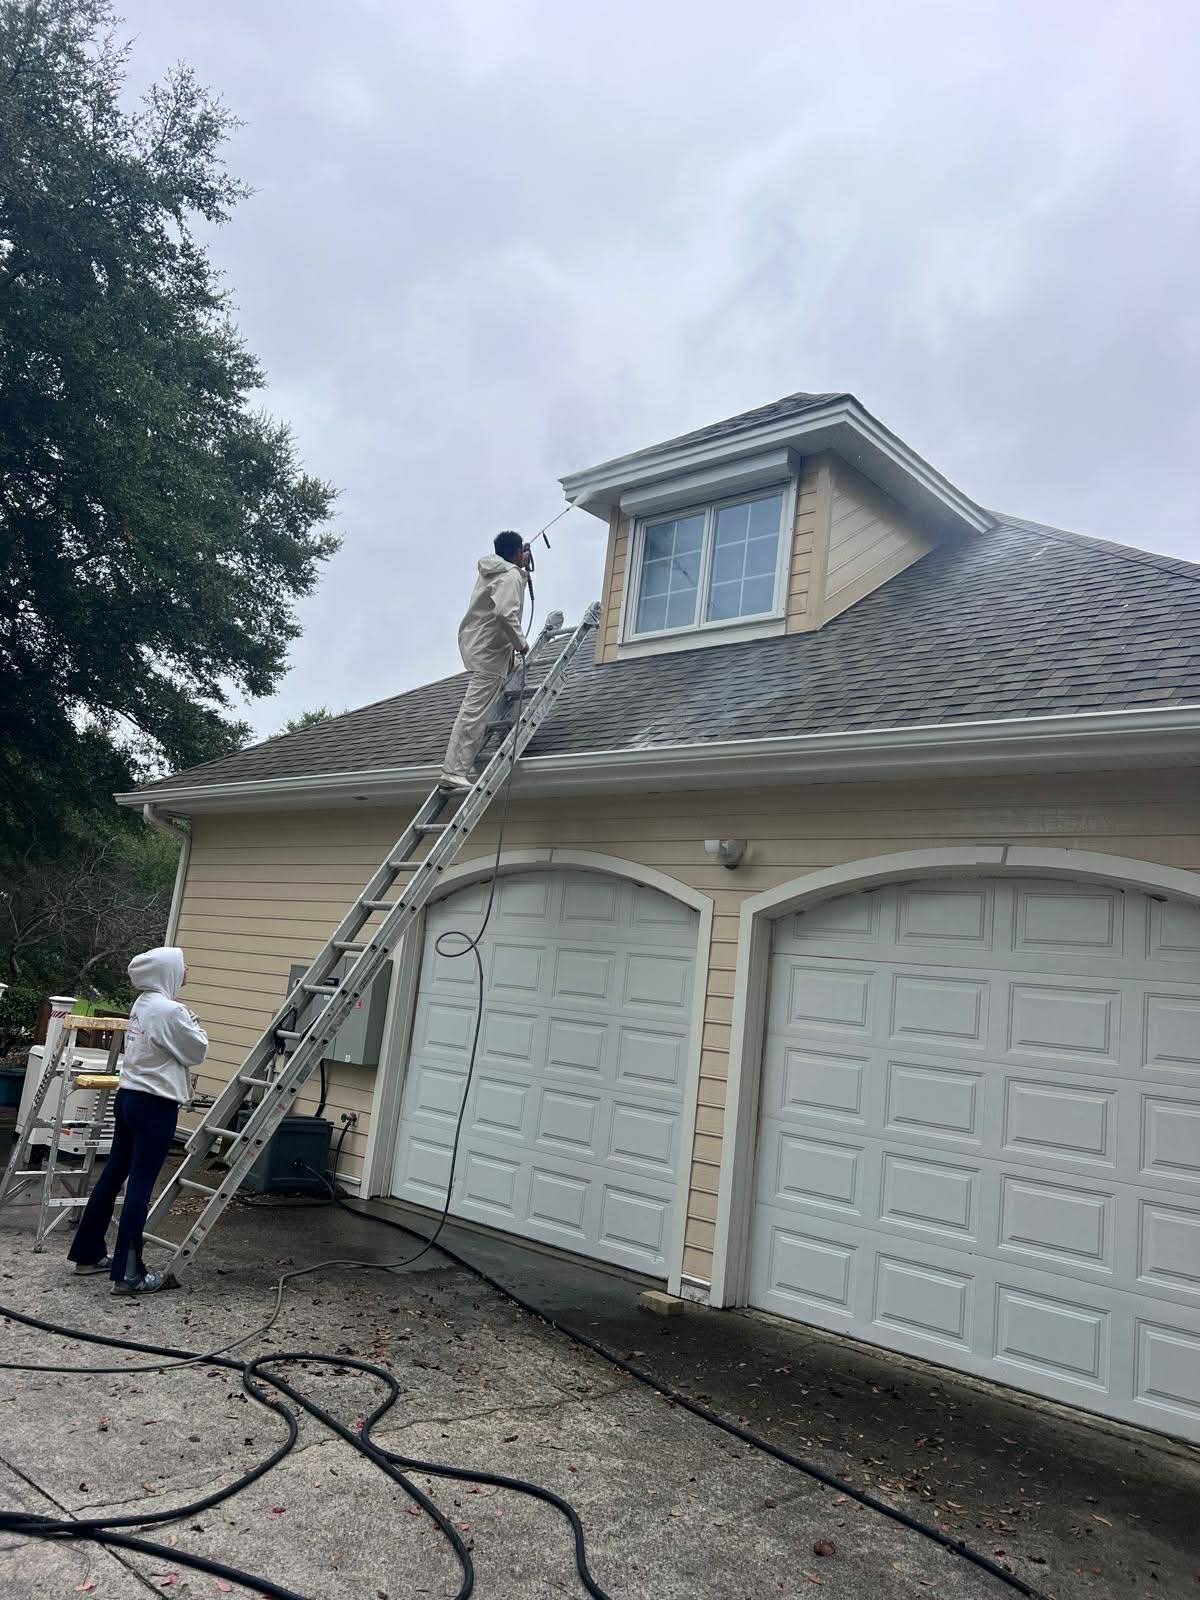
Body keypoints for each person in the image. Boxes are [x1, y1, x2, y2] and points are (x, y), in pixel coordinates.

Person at [67, 946, 207, 1295]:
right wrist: (194, 1023)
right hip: (155, 1104)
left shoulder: (143, 1003)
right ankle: (129, 1274)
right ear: (166, 972)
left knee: (114, 1172)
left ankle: (87, 1253)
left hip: (128, 1097)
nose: (187, 970)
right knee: (141, 1183)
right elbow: (197, 1051)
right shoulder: (170, 1010)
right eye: (182, 965)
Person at [439, 530, 531, 791]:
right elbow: (505, 613)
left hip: (481, 645)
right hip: (491, 650)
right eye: (521, 552)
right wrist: (521, 643)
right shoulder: (510, 574)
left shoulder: (493, 571)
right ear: (516, 553)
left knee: (485, 703)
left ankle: (460, 765)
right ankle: (455, 770)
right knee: (475, 709)